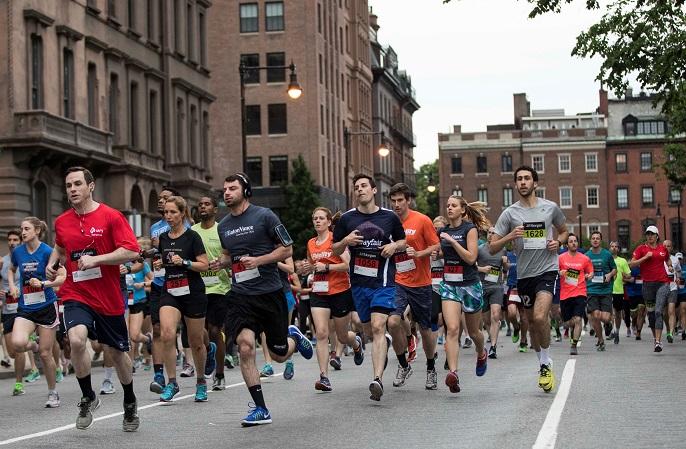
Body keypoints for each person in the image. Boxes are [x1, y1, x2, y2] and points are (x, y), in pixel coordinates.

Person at [211, 173, 312, 426]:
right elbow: (228, 255)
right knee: (245, 345)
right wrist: (220, 262)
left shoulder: (265, 216)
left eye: (232, 188)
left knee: (278, 355)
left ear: (246, 191)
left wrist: (259, 260)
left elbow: (287, 249)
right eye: (224, 189)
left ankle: (294, 339)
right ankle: (260, 408)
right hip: (241, 295)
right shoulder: (223, 226)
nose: (226, 193)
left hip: (269, 293)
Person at [46, 166, 140, 431]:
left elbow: (131, 251)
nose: (73, 189)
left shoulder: (111, 216)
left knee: (117, 353)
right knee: (76, 339)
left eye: (77, 184)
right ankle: (88, 396)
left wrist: (97, 259)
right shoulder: (62, 221)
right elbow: (61, 246)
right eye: (68, 186)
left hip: (107, 297)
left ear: (90, 186)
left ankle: (130, 401)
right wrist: (53, 261)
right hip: (76, 292)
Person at [490, 166, 568, 393]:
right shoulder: (509, 214)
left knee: (540, 316)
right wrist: (510, 236)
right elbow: (493, 246)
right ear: (515, 185)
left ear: (535, 183)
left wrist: (559, 242)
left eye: (527, 178)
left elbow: (563, 230)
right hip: (524, 275)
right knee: (533, 324)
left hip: (547, 270)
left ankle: (545, 363)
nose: (523, 182)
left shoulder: (550, 207)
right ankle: (543, 360)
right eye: (519, 179)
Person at [332, 174, 406, 401]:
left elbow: (403, 241)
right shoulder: (347, 219)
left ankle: (377, 379)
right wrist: (345, 242)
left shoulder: (389, 217)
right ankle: (379, 345)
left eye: (364, 186)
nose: (360, 189)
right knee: (367, 330)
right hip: (359, 284)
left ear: (374, 190)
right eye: (356, 187)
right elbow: (334, 249)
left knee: (377, 326)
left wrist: (393, 246)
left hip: (383, 281)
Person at [154, 195, 213, 402]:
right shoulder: (163, 238)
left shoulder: (193, 237)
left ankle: (201, 381)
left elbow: (203, 265)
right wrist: (161, 264)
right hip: (170, 290)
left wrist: (185, 262)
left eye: (173, 212)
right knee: (167, 334)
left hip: (193, 292)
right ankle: (172, 383)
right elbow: (164, 259)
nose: (168, 216)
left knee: (196, 342)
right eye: (166, 213)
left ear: (182, 214)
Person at [8, 217, 67, 408]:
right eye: (21, 229)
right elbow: (11, 269)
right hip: (26, 306)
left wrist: (43, 283)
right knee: (17, 344)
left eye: (26, 229)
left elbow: (62, 277)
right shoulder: (18, 252)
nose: (22, 232)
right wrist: (13, 285)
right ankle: (32, 345)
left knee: (45, 354)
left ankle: (53, 393)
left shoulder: (48, 252)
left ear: (37, 231)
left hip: (46, 306)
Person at [387, 183, 441, 389]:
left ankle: (430, 368)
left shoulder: (422, 220)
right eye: (393, 201)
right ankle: (403, 364)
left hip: (421, 283)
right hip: (397, 281)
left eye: (400, 200)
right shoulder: (388, 222)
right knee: (393, 322)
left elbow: (435, 245)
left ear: (408, 200)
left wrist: (419, 254)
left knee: (425, 329)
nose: (397, 204)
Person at [435, 195, 490, 393]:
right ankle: (453, 373)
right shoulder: (443, 231)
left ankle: (481, 351)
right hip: (449, 284)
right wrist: (438, 253)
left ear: (462, 210)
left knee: (474, 332)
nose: (449, 208)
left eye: (453, 205)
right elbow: (444, 253)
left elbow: (471, 258)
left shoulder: (469, 229)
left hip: (469, 285)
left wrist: (452, 242)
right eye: (448, 205)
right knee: (452, 329)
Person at [305, 207, 364, 392]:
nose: (317, 221)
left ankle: (356, 343)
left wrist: (327, 268)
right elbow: (312, 265)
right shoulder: (311, 243)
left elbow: (347, 265)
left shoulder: (336, 239)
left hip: (339, 292)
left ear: (329, 222)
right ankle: (324, 377)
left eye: (321, 218)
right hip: (319, 293)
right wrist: (308, 268)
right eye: (315, 218)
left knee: (342, 336)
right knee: (321, 334)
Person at [148, 187, 192, 394]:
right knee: (161, 330)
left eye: (166, 199)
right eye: (160, 200)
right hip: (161, 283)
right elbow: (157, 254)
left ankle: (200, 354)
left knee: (193, 332)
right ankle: (160, 374)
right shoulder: (155, 228)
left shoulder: (189, 228)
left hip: (185, 283)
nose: (161, 202)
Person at [192, 195, 230, 391]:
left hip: (219, 287)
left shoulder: (222, 229)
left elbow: (229, 255)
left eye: (207, 204)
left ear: (215, 209)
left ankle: (220, 374)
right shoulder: (193, 231)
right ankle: (209, 349)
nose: (203, 207)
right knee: (199, 331)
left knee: (216, 330)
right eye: (200, 204)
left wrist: (224, 264)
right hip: (197, 287)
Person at [629, 225, 673, 352]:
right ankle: (656, 339)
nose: (650, 236)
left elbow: (667, 259)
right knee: (652, 314)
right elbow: (631, 264)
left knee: (658, 311)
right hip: (647, 285)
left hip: (662, 283)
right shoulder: (641, 249)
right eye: (648, 234)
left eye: (652, 234)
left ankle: (658, 342)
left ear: (657, 236)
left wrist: (669, 266)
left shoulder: (663, 249)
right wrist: (645, 257)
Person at [557, 234, 593, 355]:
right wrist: (559, 272)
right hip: (565, 294)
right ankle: (566, 325)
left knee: (578, 319)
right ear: (567, 245)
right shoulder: (560, 258)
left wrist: (589, 275)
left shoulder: (584, 258)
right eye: (571, 241)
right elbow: (553, 272)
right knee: (567, 323)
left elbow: (590, 272)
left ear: (577, 243)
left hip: (580, 292)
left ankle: (574, 345)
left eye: (575, 241)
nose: (573, 243)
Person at [477, 227, 509, 359]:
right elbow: (471, 265)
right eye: (490, 233)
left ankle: (493, 347)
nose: (491, 235)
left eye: (494, 233)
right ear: (487, 235)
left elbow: (506, 270)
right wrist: (482, 269)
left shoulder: (502, 249)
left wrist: (506, 264)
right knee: (486, 320)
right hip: (482, 287)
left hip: (497, 286)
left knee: (495, 316)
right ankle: (491, 336)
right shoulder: (479, 249)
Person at [1, 229, 26, 396]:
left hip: (24, 307)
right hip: (8, 308)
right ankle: (33, 343)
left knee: (19, 348)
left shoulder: (27, 258)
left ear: (20, 241)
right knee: (11, 351)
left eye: (15, 239)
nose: (12, 242)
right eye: (9, 240)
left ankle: (18, 383)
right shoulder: (3, 262)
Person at [585, 231, 617, 352]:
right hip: (592, 289)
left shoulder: (607, 254)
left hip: (605, 290)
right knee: (596, 316)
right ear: (590, 241)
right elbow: (583, 271)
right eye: (593, 238)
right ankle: (601, 340)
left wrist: (609, 274)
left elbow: (615, 269)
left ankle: (608, 323)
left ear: (601, 240)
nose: (595, 240)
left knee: (605, 317)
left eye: (597, 238)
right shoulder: (587, 256)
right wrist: (586, 276)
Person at [609, 241, 632, 344]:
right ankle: (610, 330)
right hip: (607, 290)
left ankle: (617, 332)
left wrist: (625, 276)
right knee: (610, 313)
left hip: (619, 290)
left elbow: (629, 275)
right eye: (612, 246)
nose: (614, 248)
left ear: (618, 249)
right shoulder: (606, 259)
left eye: (616, 247)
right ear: (609, 248)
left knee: (617, 314)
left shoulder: (622, 261)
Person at [662, 240, 681, 343]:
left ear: (671, 248)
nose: (666, 248)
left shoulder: (675, 260)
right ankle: (668, 328)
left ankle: (671, 333)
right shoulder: (658, 259)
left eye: (668, 246)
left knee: (671, 311)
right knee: (665, 313)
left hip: (672, 288)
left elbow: (678, 271)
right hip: (662, 288)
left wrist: (678, 277)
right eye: (664, 246)